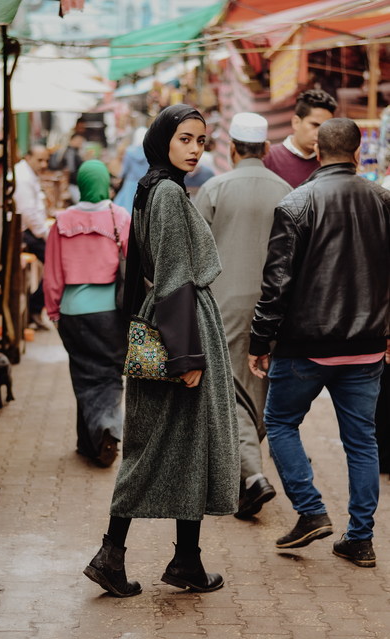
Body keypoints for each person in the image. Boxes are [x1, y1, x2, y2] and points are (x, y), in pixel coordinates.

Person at [83, 104, 240, 597]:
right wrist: (187, 357)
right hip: (182, 330)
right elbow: (173, 277)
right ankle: (116, 554)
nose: (195, 149)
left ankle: (185, 560)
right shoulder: (168, 192)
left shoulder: (152, 186)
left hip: (171, 326)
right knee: (158, 447)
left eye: (201, 140)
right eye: (185, 139)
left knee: (177, 445)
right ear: (162, 141)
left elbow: (143, 272)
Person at [248, 117, 390, 568]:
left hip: (306, 344)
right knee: (362, 441)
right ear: (357, 149)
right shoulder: (384, 201)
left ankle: (310, 511)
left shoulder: (296, 202)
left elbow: (277, 284)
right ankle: (360, 538)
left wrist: (260, 339)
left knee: (281, 423)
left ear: (318, 149)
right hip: (367, 344)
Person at [195, 112, 291, 519]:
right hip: (276, 307)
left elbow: (196, 254)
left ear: (231, 149)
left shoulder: (214, 188)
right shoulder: (288, 191)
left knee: (231, 390)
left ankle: (252, 476)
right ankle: (244, 474)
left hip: (225, 305)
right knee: (260, 390)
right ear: (267, 149)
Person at [44, 160, 131, 467]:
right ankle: (105, 429)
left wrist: (53, 311)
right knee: (107, 374)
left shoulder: (62, 221)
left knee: (83, 375)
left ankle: (92, 441)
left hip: (73, 312)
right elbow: (133, 267)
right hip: (109, 313)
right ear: (106, 182)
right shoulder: (119, 217)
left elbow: (52, 273)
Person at [263, 89, 337, 188]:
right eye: (314, 125)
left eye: (325, 127)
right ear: (296, 122)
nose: (320, 133)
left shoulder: (330, 162)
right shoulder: (269, 157)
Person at [14, 145, 52, 330]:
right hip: (24, 233)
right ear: (28, 157)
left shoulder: (28, 173)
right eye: (40, 160)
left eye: (46, 160)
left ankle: (35, 306)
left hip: (31, 231)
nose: (44, 164)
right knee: (56, 265)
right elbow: (27, 212)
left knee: (55, 264)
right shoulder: (22, 176)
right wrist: (45, 234)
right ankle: (34, 306)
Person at [114, 127, 149, 213]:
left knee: (127, 207)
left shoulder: (129, 151)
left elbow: (125, 169)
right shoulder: (149, 151)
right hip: (145, 184)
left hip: (130, 183)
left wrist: (119, 177)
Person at [50, 132, 85, 204]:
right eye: (78, 141)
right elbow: (70, 169)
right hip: (71, 183)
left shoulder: (73, 151)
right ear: (72, 140)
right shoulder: (70, 152)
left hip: (72, 183)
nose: (80, 143)